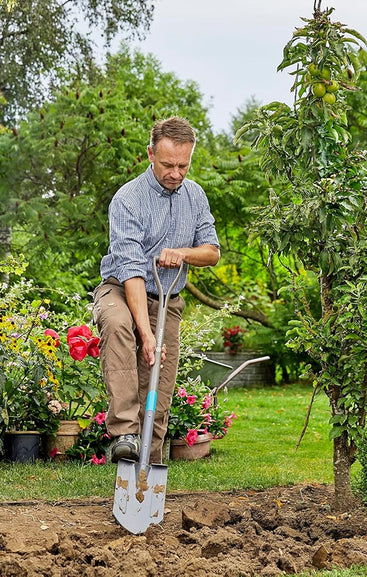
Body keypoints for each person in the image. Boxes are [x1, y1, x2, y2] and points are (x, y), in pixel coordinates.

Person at [93, 116, 220, 464]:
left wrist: (182, 254)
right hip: (121, 288)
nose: (176, 173)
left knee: (159, 388)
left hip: (167, 299)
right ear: (150, 154)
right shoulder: (128, 200)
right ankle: (125, 434)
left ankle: (145, 471)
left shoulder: (195, 197)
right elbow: (132, 270)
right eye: (168, 164)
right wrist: (147, 335)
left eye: (183, 165)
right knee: (119, 324)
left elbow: (211, 251)